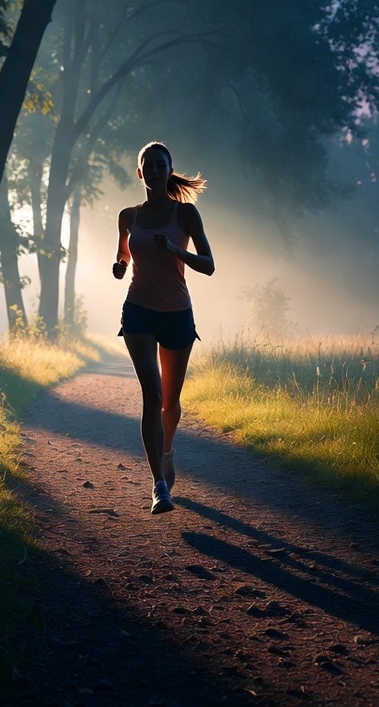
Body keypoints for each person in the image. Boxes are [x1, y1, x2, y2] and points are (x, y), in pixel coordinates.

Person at [113, 141, 215, 514]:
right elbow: (123, 252)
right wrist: (119, 266)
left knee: (170, 404)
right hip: (138, 310)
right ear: (140, 173)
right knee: (152, 397)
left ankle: (167, 450)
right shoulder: (128, 215)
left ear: (169, 171)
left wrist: (176, 250)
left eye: (161, 166)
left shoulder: (186, 215)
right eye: (148, 166)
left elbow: (208, 264)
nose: (155, 171)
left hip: (176, 313)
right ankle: (159, 485)